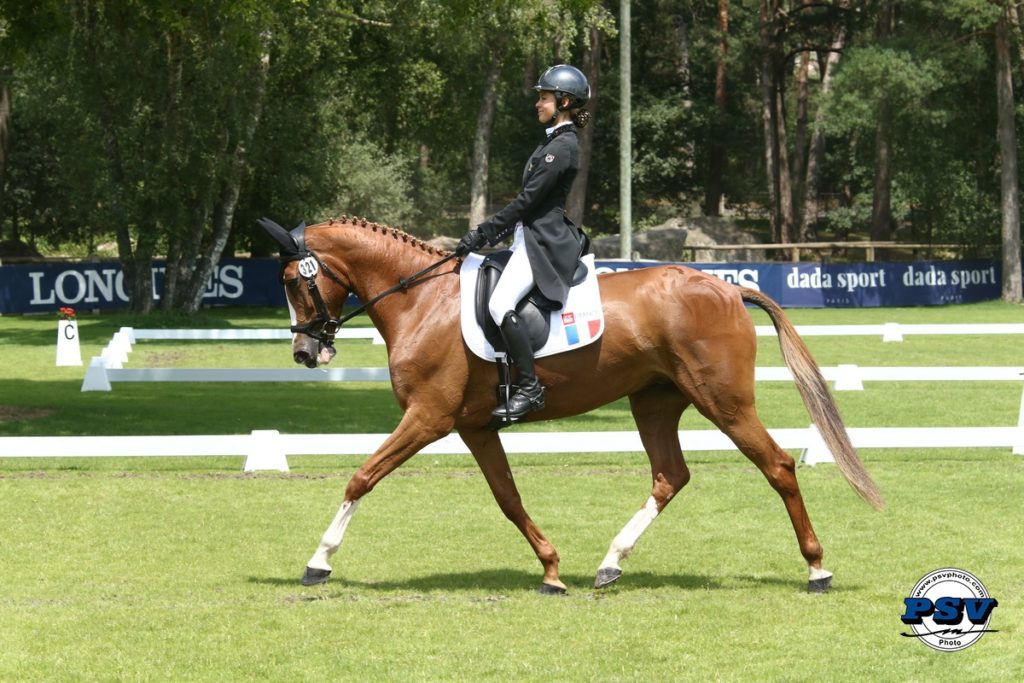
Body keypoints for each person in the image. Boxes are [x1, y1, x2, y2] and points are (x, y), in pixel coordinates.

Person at [456, 64, 591, 422]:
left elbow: (527, 202)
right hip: (527, 238)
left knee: (500, 304)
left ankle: (530, 389)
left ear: (563, 101)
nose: (538, 103)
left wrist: (483, 232)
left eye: (544, 97)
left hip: (542, 244)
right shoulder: (552, 142)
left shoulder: (561, 147)